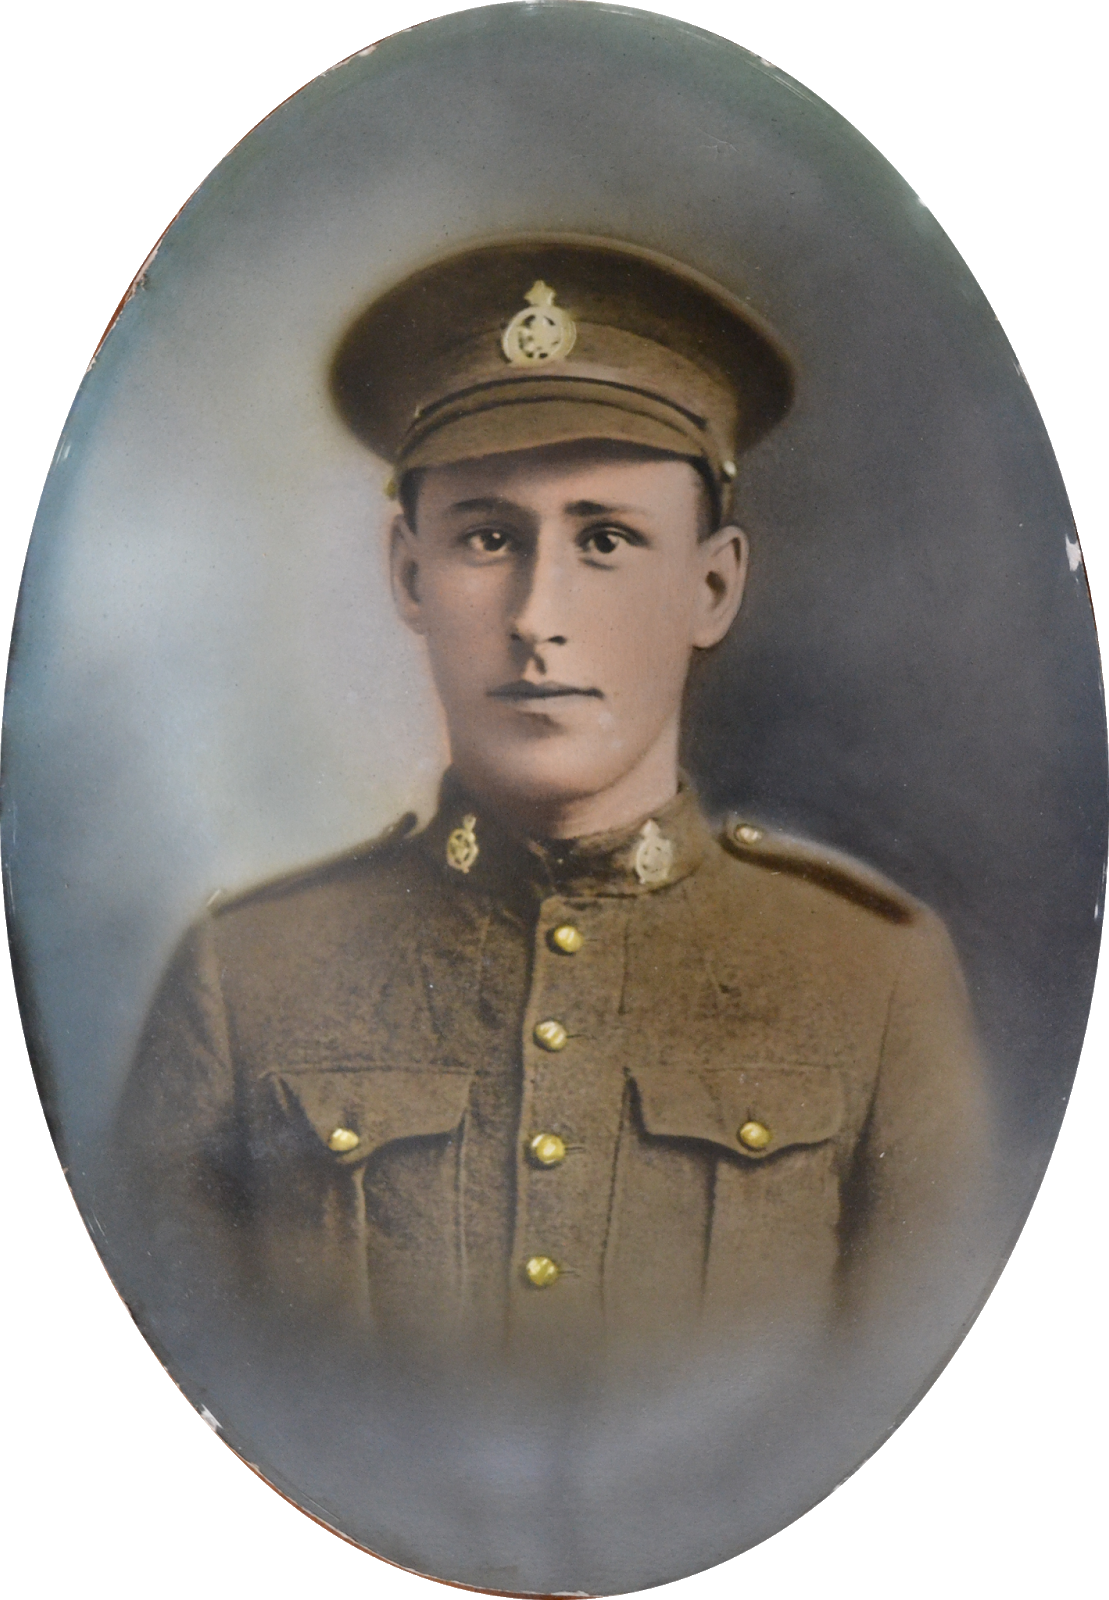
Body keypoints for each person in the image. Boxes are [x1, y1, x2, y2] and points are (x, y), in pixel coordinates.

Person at [112, 238, 988, 1373]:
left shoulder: (873, 978)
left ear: (711, 584)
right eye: (487, 538)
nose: (536, 614)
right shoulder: (245, 980)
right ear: (409, 574)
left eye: (605, 539)